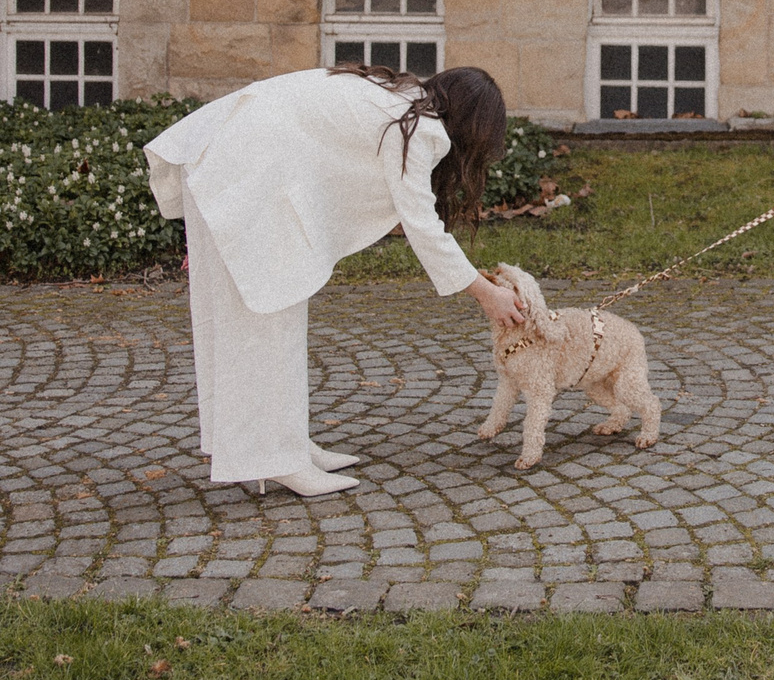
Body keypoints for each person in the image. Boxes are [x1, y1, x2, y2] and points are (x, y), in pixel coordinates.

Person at [142, 63, 529, 496]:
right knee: (265, 326)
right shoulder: (420, 129)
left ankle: (284, 445)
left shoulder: (401, 97)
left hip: (243, 164)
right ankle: (276, 458)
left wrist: (475, 281)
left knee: (277, 320)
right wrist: (485, 294)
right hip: (248, 174)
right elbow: (420, 222)